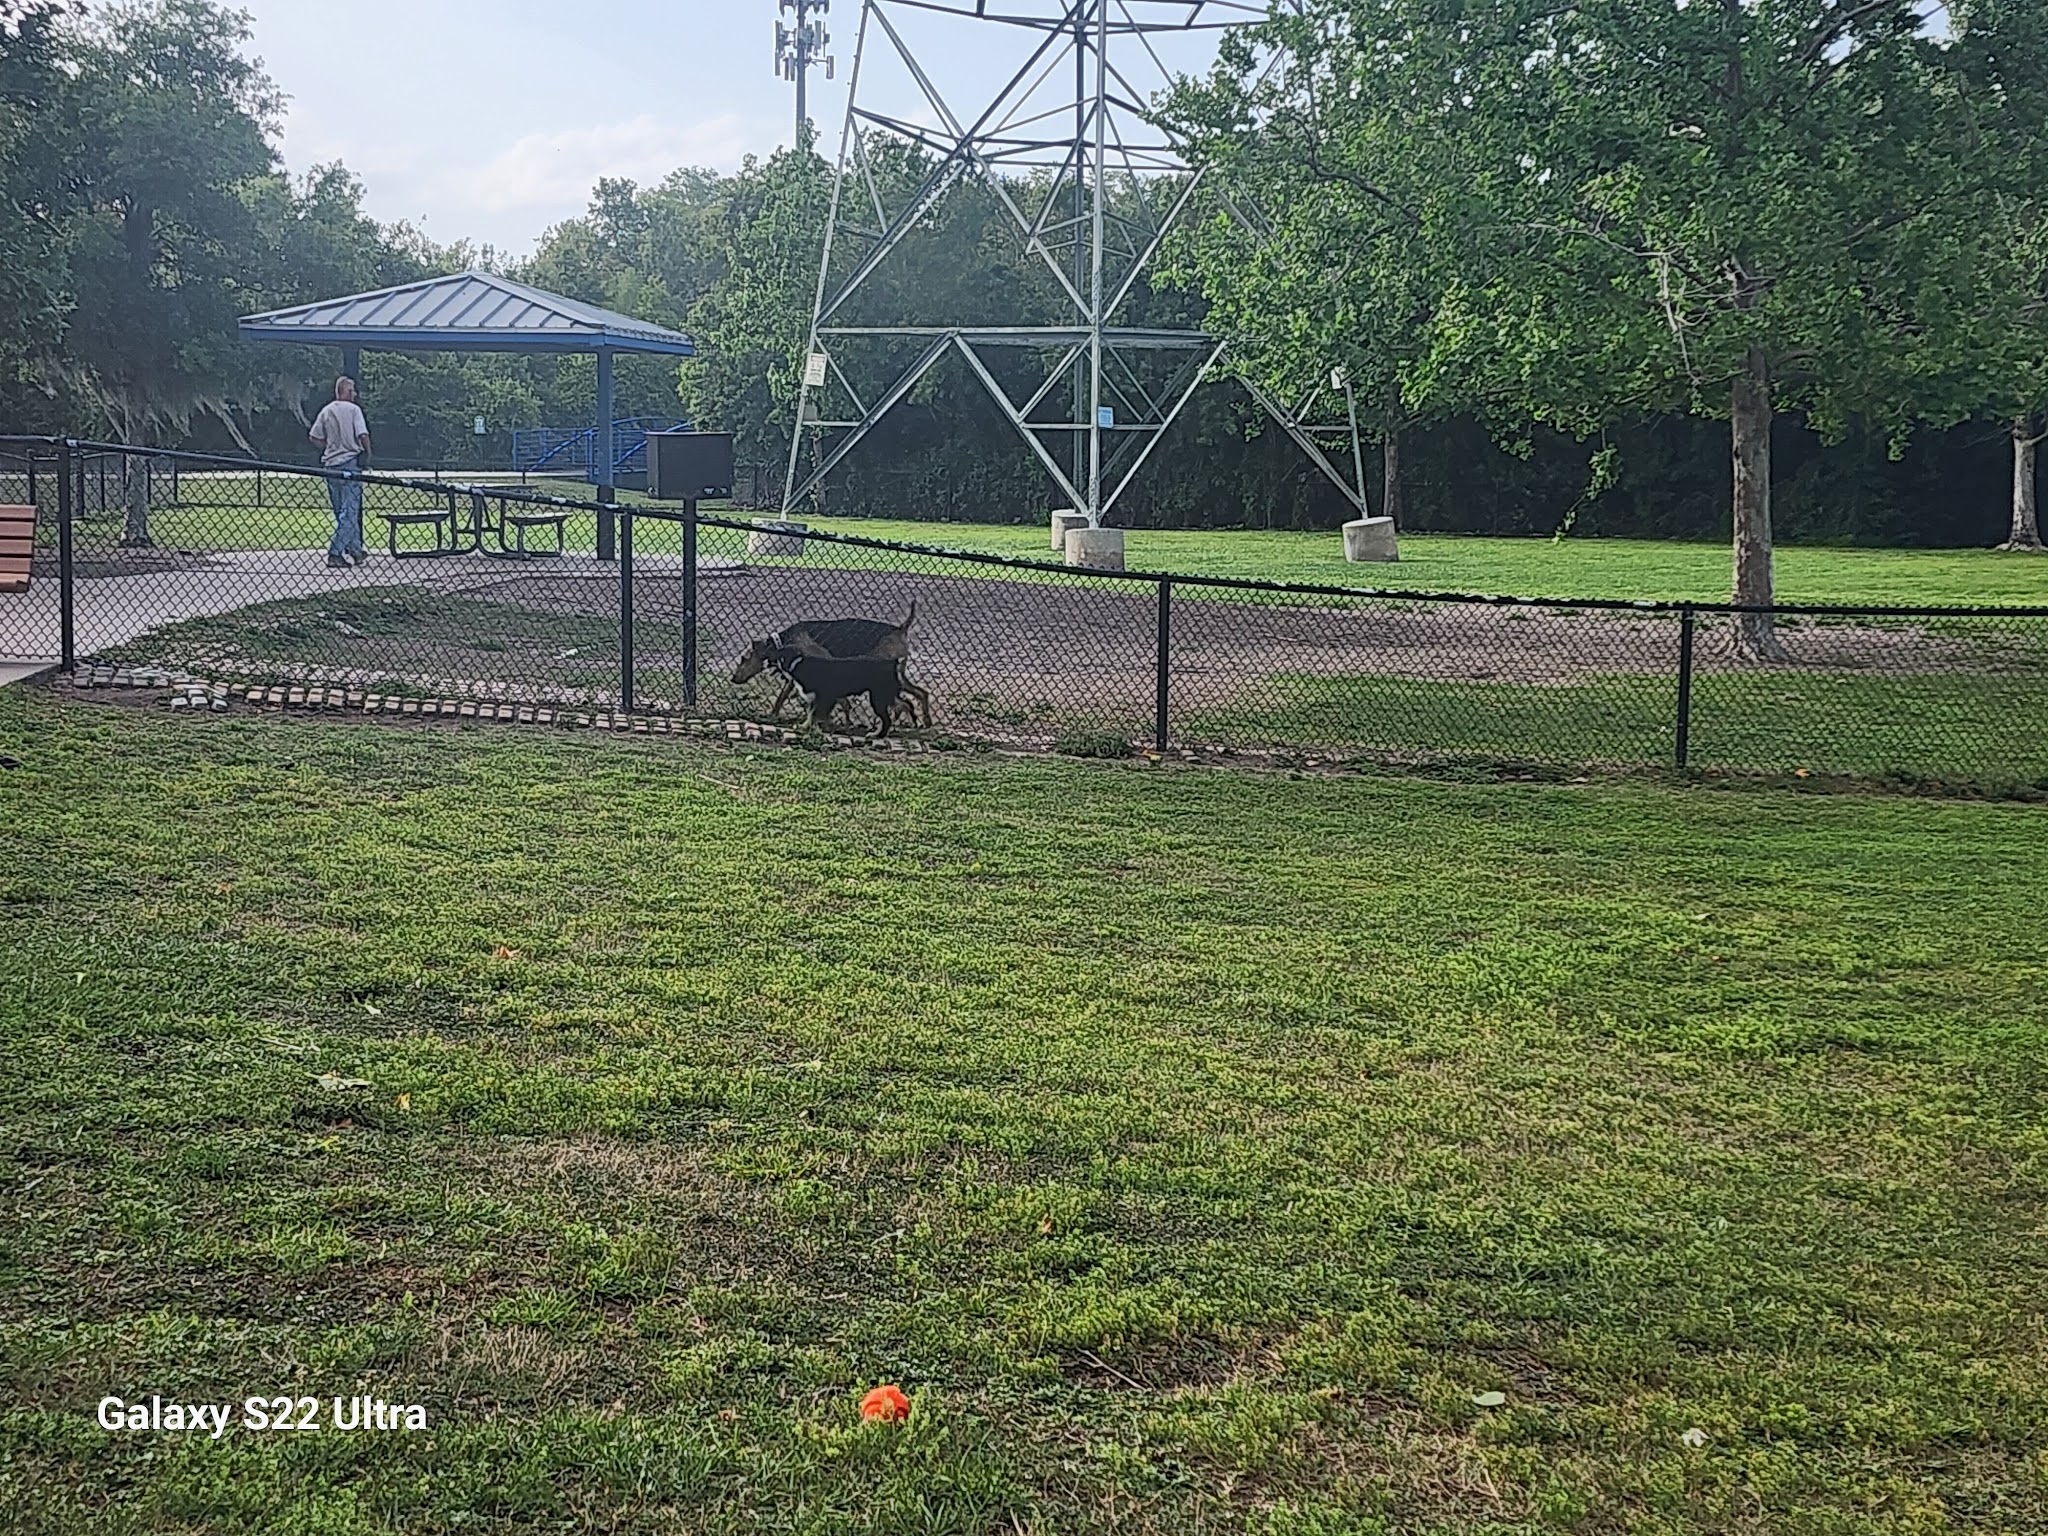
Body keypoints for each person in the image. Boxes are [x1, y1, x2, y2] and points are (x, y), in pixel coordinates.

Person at [309, 377, 371, 567]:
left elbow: (314, 436)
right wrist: (367, 452)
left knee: (340, 511)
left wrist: (329, 446)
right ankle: (335, 552)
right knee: (350, 511)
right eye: (352, 391)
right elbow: (362, 434)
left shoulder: (327, 410)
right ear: (346, 392)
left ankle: (356, 549)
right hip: (350, 463)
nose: (355, 394)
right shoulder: (354, 410)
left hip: (330, 464)